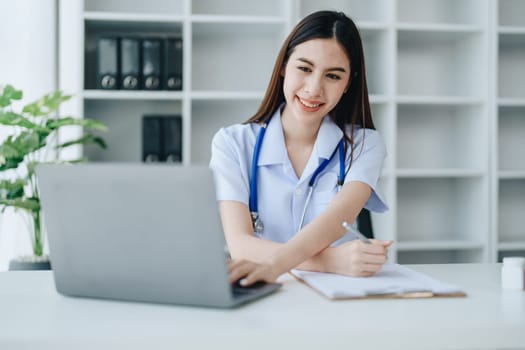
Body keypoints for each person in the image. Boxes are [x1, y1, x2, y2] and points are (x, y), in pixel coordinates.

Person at [210, 10, 393, 286]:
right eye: (305, 69)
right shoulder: (232, 144)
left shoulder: (364, 145)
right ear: (284, 66)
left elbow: (336, 220)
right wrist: (333, 261)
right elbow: (240, 248)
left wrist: (273, 262)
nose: (314, 89)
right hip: (269, 291)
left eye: (332, 76)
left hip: (340, 297)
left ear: (347, 84)